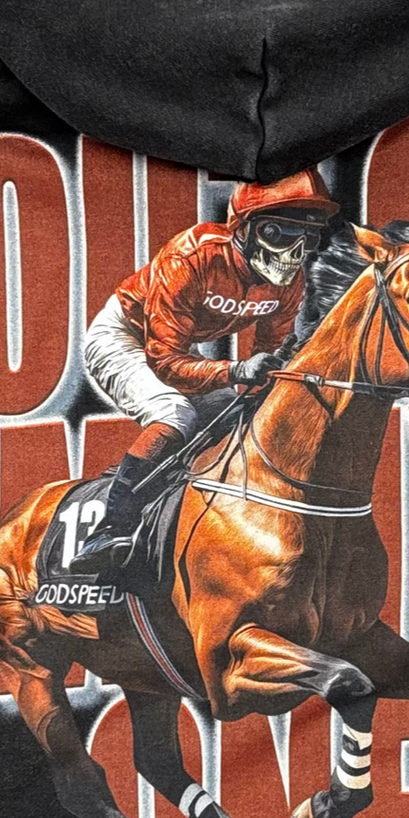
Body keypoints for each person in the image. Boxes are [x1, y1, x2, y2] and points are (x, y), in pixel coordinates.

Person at [69, 168, 339, 573]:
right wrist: (237, 371)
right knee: (174, 414)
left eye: (308, 237)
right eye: (279, 234)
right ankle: (110, 529)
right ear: (243, 229)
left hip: (177, 346)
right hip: (125, 334)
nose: (294, 252)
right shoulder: (191, 257)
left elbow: (268, 357)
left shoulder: (290, 283)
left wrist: (263, 378)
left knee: (237, 421)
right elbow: (165, 362)